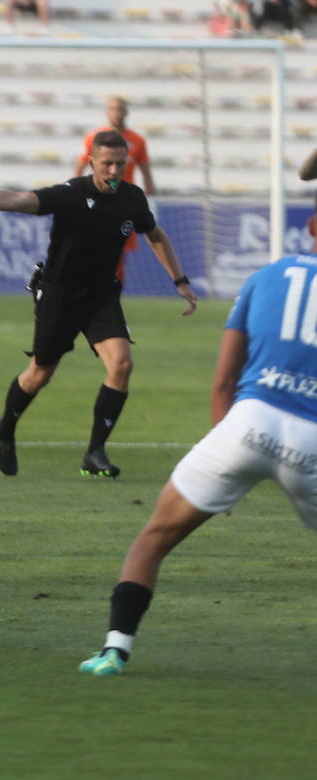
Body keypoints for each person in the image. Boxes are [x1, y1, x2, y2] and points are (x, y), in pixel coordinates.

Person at [78, 197, 317, 676]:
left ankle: (114, 650)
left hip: (246, 424)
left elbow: (224, 381)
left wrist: (223, 467)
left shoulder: (265, 277)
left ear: (310, 227)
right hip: (310, 439)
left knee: (154, 538)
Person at [0, 130, 199, 480]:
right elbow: (17, 200)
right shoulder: (71, 194)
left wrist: (179, 279)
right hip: (60, 295)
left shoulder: (133, 198)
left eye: (121, 163)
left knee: (121, 364)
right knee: (40, 373)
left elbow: (155, 234)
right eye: (107, 163)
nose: (114, 170)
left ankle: (94, 453)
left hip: (102, 295)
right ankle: (5, 426)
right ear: (92, 162)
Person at [73, 97, 156, 282]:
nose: (117, 112)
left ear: (126, 112)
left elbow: (146, 173)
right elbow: (78, 169)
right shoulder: (94, 138)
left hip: (124, 203)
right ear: (107, 112)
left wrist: (151, 201)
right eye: (113, 108)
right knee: (93, 250)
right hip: (99, 201)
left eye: (120, 108)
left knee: (118, 255)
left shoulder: (137, 140)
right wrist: (79, 198)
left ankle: (111, 293)